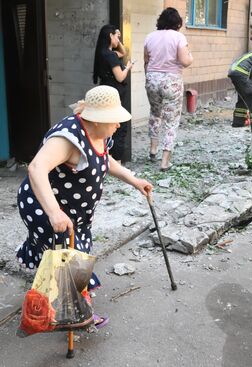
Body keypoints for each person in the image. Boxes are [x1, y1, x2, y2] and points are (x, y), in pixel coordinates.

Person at [16, 85, 153, 328]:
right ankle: (73, 312)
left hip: (74, 211)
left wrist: (134, 180)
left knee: (72, 255)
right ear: (96, 119)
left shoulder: (100, 134)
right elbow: (36, 168)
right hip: (42, 205)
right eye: (114, 119)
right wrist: (53, 212)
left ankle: (61, 304)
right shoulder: (68, 138)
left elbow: (104, 159)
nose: (118, 125)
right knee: (70, 259)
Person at [144, 7, 193, 171]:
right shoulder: (179, 37)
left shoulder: (149, 37)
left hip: (152, 79)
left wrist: (150, 77)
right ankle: (165, 162)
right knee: (171, 120)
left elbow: (146, 60)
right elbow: (185, 61)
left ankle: (152, 150)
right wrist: (190, 56)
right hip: (171, 81)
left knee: (155, 113)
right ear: (177, 23)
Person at [93, 24, 134, 162]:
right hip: (115, 94)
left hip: (105, 90)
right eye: (117, 36)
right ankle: (116, 161)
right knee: (119, 127)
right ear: (110, 36)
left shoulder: (102, 53)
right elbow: (120, 77)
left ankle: (105, 158)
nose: (119, 40)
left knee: (106, 125)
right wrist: (127, 67)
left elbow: (122, 52)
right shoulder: (110, 56)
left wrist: (116, 40)